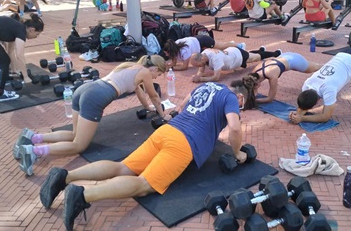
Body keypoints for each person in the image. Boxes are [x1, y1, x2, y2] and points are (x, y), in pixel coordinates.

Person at [39, 79, 253, 231]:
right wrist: (237, 153)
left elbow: (181, 105)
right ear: (241, 96)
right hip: (183, 144)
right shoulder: (231, 98)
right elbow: (234, 127)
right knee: (143, 185)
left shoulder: (206, 86)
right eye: (243, 105)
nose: (241, 108)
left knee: (122, 167)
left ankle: (64, 176)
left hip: (166, 131)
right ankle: (83, 195)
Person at [13, 55, 168, 176]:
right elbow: (154, 95)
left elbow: (140, 91)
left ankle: (33, 137)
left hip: (85, 89)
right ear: (154, 68)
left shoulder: (131, 66)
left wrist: (147, 108)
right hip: (95, 97)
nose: (156, 77)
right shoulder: (146, 72)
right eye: (159, 74)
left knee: (75, 134)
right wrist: (164, 115)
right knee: (79, 145)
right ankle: (34, 151)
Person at [246, 52, 322, 105]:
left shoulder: (272, 76)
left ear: (257, 84)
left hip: (295, 61)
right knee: (313, 66)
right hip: (284, 56)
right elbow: (253, 89)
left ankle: (329, 66)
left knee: (315, 68)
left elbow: (270, 98)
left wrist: (254, 101)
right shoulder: (254, 73)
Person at [190, 46, 281, 83]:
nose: (199, 67)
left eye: (198, 65)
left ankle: (275, 53)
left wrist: (201, 79)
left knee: (256, 58)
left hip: (237, 56)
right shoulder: (203, 54)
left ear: (202, 58)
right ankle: (261, 50)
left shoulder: (215, 58)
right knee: (251, 55)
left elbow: (216, 77)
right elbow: (200, 71)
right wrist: (197, 76)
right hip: (231, 52)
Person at [163, 35, 246, 71]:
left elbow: (185, 67)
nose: (166, 55)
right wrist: (170, 65)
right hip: (196, 40)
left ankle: (239, 45)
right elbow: (174, 61)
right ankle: (231, 44)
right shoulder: (175, 45)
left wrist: (171, 69)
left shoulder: (184, 51)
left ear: (171, 51)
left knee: (221, 46)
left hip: (203, 41)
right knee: (220, 47)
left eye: (167, 53)